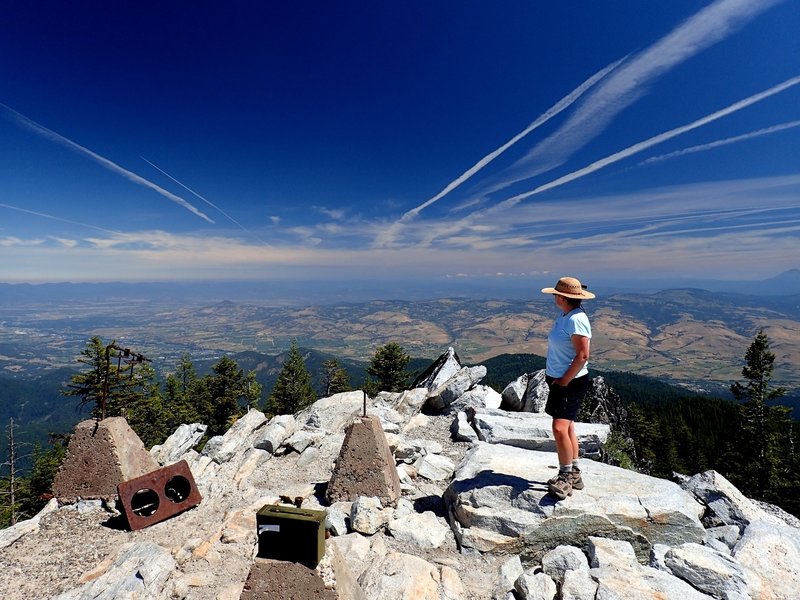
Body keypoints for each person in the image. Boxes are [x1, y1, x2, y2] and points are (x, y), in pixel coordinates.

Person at [541, 276, 595, 500]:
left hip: (569, 381)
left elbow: (583, 355)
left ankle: (565, 478)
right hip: (561, 379)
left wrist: (564, 381)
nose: (554, 296)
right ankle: (574, 473)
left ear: (562, 297)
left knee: (560, 428)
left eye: (556, 294)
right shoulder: (567, 316)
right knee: (569, 427)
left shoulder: (575, 320)